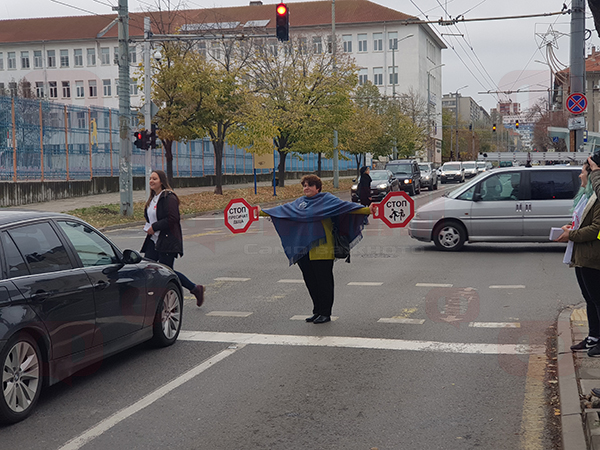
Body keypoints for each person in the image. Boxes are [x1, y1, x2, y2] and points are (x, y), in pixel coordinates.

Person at [261, 175, 371, 324]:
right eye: (304, 185)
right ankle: (317, 311)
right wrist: (261, 211)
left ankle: (325, 313)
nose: (306, 188)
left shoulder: (328, 200)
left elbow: (348, 208)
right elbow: (282, 210)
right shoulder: (299, 203)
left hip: (322, 247)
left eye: (310, 185)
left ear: (318, 188)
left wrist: (367, 210)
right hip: (303, 249)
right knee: (311, 281)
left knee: (324, 282)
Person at [141, 170, 205, 307]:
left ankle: (194, 289)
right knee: (149, 269)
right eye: (150, 178)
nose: (151, 181)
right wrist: (148, 227)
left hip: (167, 240)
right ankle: (153, 300)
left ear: (162, 181)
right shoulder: (153, 198)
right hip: (153, 240)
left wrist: (155, 227)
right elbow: (152, 217)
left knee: (167, 272)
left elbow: (173, 218)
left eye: (155, 179)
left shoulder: (169, 197)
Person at [555, 162, 600, 356]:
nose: (579, 176)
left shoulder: (596, 199)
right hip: (581, 255)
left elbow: (596, 229)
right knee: (590, 299)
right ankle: (594, 336)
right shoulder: (585, 197)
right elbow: (582, 222)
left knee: (597, 300)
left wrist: (571, 234)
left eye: (582, 172)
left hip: (592, 257)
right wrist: (570, 227)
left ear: (591, 176)